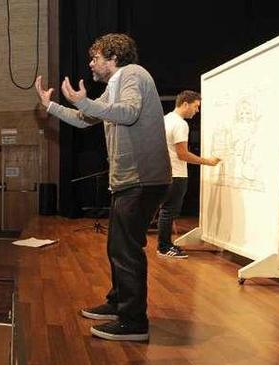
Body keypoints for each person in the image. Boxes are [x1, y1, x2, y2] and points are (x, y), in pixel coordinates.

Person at [35, 33, 171, 341]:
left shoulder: (132, 74)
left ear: (113, 58)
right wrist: (52, 106)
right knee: (118, 248)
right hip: (131, 182)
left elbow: (130, 112)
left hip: (141, 180)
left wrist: (84, 101)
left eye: (95, 58)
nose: (91, 63)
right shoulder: (115, 85)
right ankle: (118, 303)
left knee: (126, 250)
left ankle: (133, 321)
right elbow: (85, 118)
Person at [157, 90, 222, 258]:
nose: (197, 111)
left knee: (165, 210)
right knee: (168, 211)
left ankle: (164, 245)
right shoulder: (180, 124)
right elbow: (183, 154)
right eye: (196, 106)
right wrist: (208, 162)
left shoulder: (164, 120)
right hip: (176, 174)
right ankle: (164, 247)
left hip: (164, 172)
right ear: (185, 104)